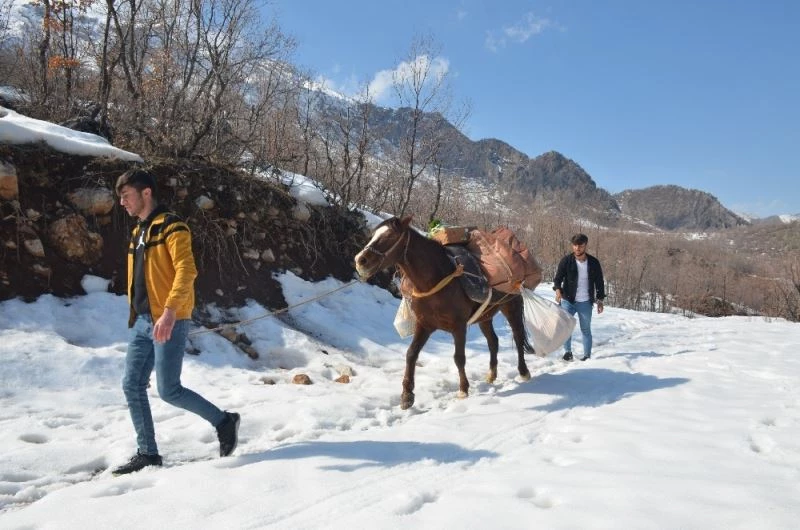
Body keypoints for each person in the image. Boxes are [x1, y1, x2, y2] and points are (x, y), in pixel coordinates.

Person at [112, 168, 240, 475]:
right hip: (142, 321)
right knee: (131, 385)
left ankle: (223, 421)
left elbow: (186, 270)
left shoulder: (173, 226)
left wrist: (169, 312)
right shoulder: (138, 231)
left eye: (126, 196)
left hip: (168, 318)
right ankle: (148, 453)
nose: (122, 203)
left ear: (146, 193)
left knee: (169, 390)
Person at [553, 233, 605, 362]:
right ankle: (568, 353)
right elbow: (558, 279)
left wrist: (600, 300)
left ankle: (587, 356)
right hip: (568, 301)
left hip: (585, 302)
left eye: (580, 246)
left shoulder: (593, 262)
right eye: (575, 245)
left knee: (585, 329)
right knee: (566, 328)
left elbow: (599, 282)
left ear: (585, 246)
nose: (577, 248)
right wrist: (558, 290)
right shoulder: (566, 261)